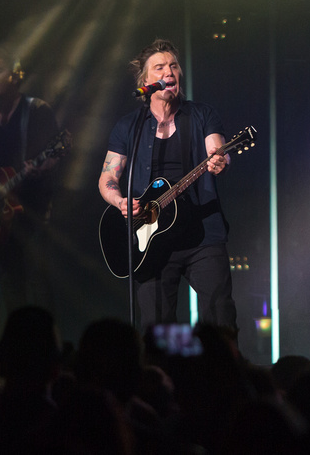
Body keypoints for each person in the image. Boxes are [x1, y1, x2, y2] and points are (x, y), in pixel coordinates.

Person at [98, 39, 238, 334]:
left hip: (203, 234)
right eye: (159, 67)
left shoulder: (202, 115)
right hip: (151, 242)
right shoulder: (129, 126)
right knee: (158, 330)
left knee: (221, 320)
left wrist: (220, 160)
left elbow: (217, 150)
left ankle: (219, 363)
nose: (169, 72)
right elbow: (108, 177)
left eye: (173, 65)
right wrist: (120, 201)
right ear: (145, 81)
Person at [0, 51, 61, 347]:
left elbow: (56, 151)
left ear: (15, 75)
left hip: (33, 210)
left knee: (38, 282)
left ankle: (47, 348)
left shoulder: (36, 110)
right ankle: (18, 348)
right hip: (0, 214)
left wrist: (40, 166)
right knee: (9, 284)